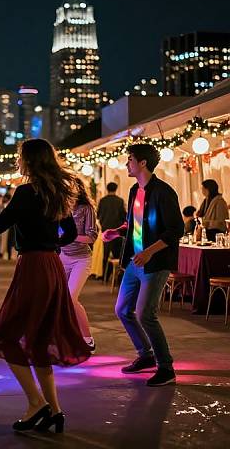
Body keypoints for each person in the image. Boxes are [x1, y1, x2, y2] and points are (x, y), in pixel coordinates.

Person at [0, 138, 91, 434]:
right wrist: (50, 244)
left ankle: (37, 403)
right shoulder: (56, 192)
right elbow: (69, 232)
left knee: (6, 337)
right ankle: (54, 410)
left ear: (29, 160)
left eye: (21, 156)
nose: (18, 160)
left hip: (33, 266)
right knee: (40, 340)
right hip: (51, 265)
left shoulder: (25, 192)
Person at [103, 143, 183, 387]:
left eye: (130, 160)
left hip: (155, 263)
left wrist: (149, 252)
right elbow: (134, 223)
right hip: (134, 261)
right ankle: (145, 355)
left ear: (142, 163)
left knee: (146, 314)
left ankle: (166, 367)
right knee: (123, 310)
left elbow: (176, 230)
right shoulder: (133, 191)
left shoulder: (163, 192)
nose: (127, 163)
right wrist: (118, 231)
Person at [60, 177, 99, 352]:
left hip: (80, 259)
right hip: (61, 256)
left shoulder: (86, 208)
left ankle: (87, 338)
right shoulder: (60, 208)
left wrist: (69, 235)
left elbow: (91, 237)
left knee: (70, 297)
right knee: (59, 299)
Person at [97, 182, 126, 275]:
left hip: (105, 230)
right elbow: (123, 215)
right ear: (116, 189)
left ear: (107, 189)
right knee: (117, 254)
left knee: (105, 254)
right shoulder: (120, 201)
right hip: (117, 231)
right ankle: (117, 275)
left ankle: (104, 275)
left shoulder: (102, 201)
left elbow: (98, 215)